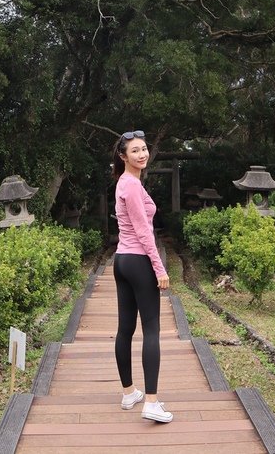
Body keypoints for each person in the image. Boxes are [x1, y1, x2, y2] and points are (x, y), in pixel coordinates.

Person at [112, 130, 173, 423]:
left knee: (125, 329)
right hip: (137, 261)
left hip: (122, 260)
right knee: (151, 330)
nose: (142, 154)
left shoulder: (124, 182)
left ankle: (129, 394)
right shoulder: (132, 186)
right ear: (124, 156)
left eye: (144, 149)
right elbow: (143, 231)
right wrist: (159, 267)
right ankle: (151, 402)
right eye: (135, 151)